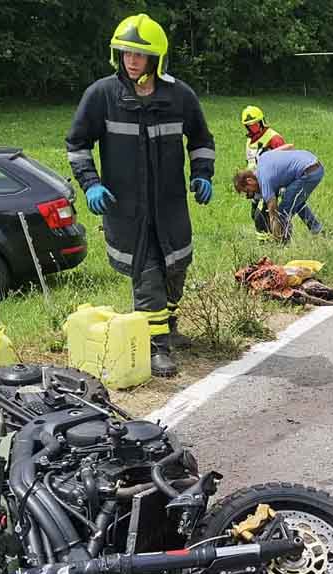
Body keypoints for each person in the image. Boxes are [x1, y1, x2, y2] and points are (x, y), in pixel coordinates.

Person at [66, 13, 216, 378]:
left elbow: (201, 140)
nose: (131, 61)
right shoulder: (102, 95)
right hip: (126, 209)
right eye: (126, 53)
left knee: (175, 267)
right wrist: (91, 183)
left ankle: (169, 324)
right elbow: (77, 143)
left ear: (157, 58)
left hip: (170, 206)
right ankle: (154, 346)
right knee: (146, 273)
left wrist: (202, 175)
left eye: (139, 54)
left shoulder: (180, 96)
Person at [240, 105, 320, 238]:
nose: (252, 128)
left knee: (274, 211)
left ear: (261, 122)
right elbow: (250, 161)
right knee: (294, 203)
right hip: (257, 182)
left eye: (254, 125)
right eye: (249, 126)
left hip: (271, 182)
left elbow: (287, 157)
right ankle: (314, 227)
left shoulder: (274, 138)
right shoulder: (249, 141)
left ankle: (279, 238)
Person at [233, 149, 323, 243]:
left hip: (308, 173)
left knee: (282, 213)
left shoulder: (265, 181)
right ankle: (316, 229)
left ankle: (283, 245)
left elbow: (274, 215)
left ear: (249, 181)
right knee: (292, 199)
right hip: (313, 163)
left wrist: (276, 238)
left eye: (248, 191)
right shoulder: (262, 160)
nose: (251, 195)